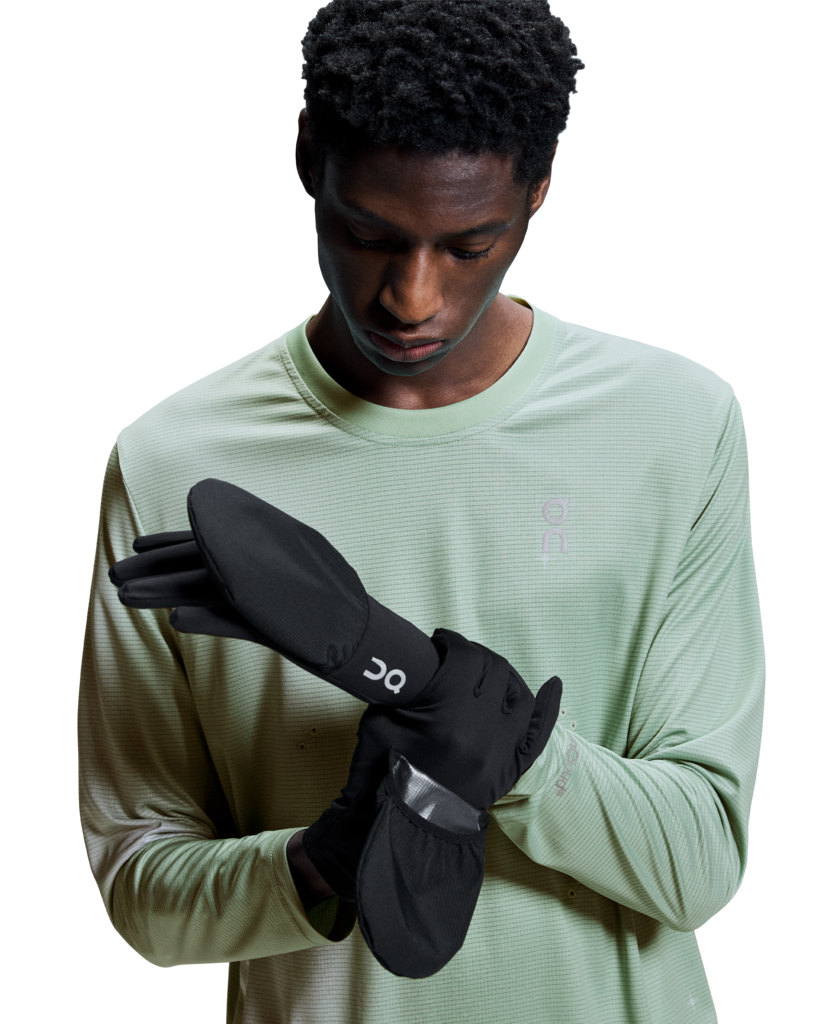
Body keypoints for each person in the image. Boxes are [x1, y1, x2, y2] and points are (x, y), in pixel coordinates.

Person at [76, 2, 767, 1022]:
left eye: (470, 245)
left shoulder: (673, 423)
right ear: (306, 159)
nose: (411, 297)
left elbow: (698, 864)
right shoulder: (174, 457)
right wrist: (322, 862)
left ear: (541, 186)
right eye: (369, 236)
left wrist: (501, 744)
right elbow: (143, 898)